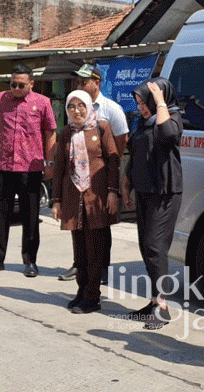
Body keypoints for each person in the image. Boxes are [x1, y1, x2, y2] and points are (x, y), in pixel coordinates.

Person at [0, 64, 57, 277]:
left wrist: (49, 163)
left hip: (30, 167)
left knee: (30, 216)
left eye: (21, 85)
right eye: (13, 84)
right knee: (0, 215)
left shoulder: (42, 102)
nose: (16, 88)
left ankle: (30, 261)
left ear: (31, 83)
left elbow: (51, 132)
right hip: (3, 165)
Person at [121, 77, 183, 330]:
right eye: (138, 103)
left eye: (143, 103)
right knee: (146, 247)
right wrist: (126, 182)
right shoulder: (143, 123)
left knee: (156, 247)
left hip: (165, 192)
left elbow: (168, 135)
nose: (140, 108)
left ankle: (163, 306)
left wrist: (159, 103)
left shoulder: (172, 118)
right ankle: (154, 301)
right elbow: (135, 153)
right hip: (145, 191)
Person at [51, 90, 120, 313]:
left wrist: (112, 192)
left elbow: (112, 160)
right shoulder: (66, 133)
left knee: (95, 249)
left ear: (89, 107)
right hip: (73, 198)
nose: (76, 110)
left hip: (96, 197)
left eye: (81, 105)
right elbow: (60, 167)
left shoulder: (101, 128)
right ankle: (81, 292)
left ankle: (92, 297)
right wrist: (57, 201)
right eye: (71, 106)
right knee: (79, 250)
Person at [59, 63, 128, 282]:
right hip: (77, 186)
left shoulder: (110, 110)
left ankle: (100, 270)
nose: (79, 85)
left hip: (99, 180)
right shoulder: (69, 127)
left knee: (99, 229)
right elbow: (62, 160)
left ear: (96, 83)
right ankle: (80, 270)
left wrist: (111, 186)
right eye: (77, 82)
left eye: (83, 81)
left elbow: (117, 148)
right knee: (80, 230)